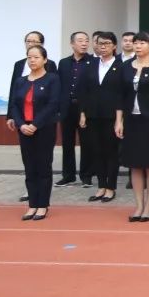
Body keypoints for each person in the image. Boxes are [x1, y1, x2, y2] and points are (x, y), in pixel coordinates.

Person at [116, 32, 149, 223]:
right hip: (132, 121)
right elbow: (120, 96)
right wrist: (119, 120)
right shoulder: (125, 67)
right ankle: (138, 205)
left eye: (142, 43)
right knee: (135, 164)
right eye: (135, 43)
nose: (138, 46)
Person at [8, 45, 60, 221]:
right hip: (24, 129)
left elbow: (53, 104)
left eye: (36, 57)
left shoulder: (52, 79)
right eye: (29, 57)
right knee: (29, 167)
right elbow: (14, 105)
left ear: (44, 60)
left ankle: (42, 205)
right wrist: (21, 124)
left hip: (44, 128)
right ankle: (32, 204)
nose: (32, 60)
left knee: (43, 166)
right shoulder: (20, 81)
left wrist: (35, 124)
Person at [78, 31, 124, 203]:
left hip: (111, 116)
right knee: (96, 151)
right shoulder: (90, 64)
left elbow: (122, 94)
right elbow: (83, 91)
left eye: (107, 44)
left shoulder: (121, 66)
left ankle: (111, 187)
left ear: (114, 46)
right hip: (92, 115)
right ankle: (101, 186)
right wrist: (82, 113)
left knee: (111, 152)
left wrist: (119, 120)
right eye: (100, 43)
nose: (103, 47)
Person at [55, 32, 94, 187]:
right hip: (67, 107)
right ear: (72, 44)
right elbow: (60, 85)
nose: (84, 43)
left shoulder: (93, 62)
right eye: (80, 41)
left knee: (87, 142)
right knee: (67, 142)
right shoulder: (64, 63)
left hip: (85, 108)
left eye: (86, 41)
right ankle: (68, 175)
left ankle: (86, 175)